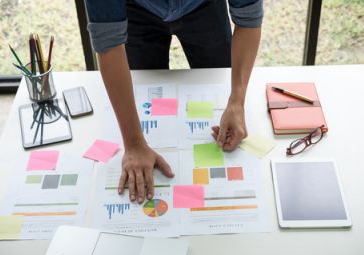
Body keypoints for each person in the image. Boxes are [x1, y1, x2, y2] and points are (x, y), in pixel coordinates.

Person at [84, 0, 263, 204]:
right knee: (145, 95)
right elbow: (108, 42)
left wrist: (237, 102)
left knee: (217, 85)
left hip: (205, 6)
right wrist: (133, 143)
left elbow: (249, 19)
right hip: (136, 10)